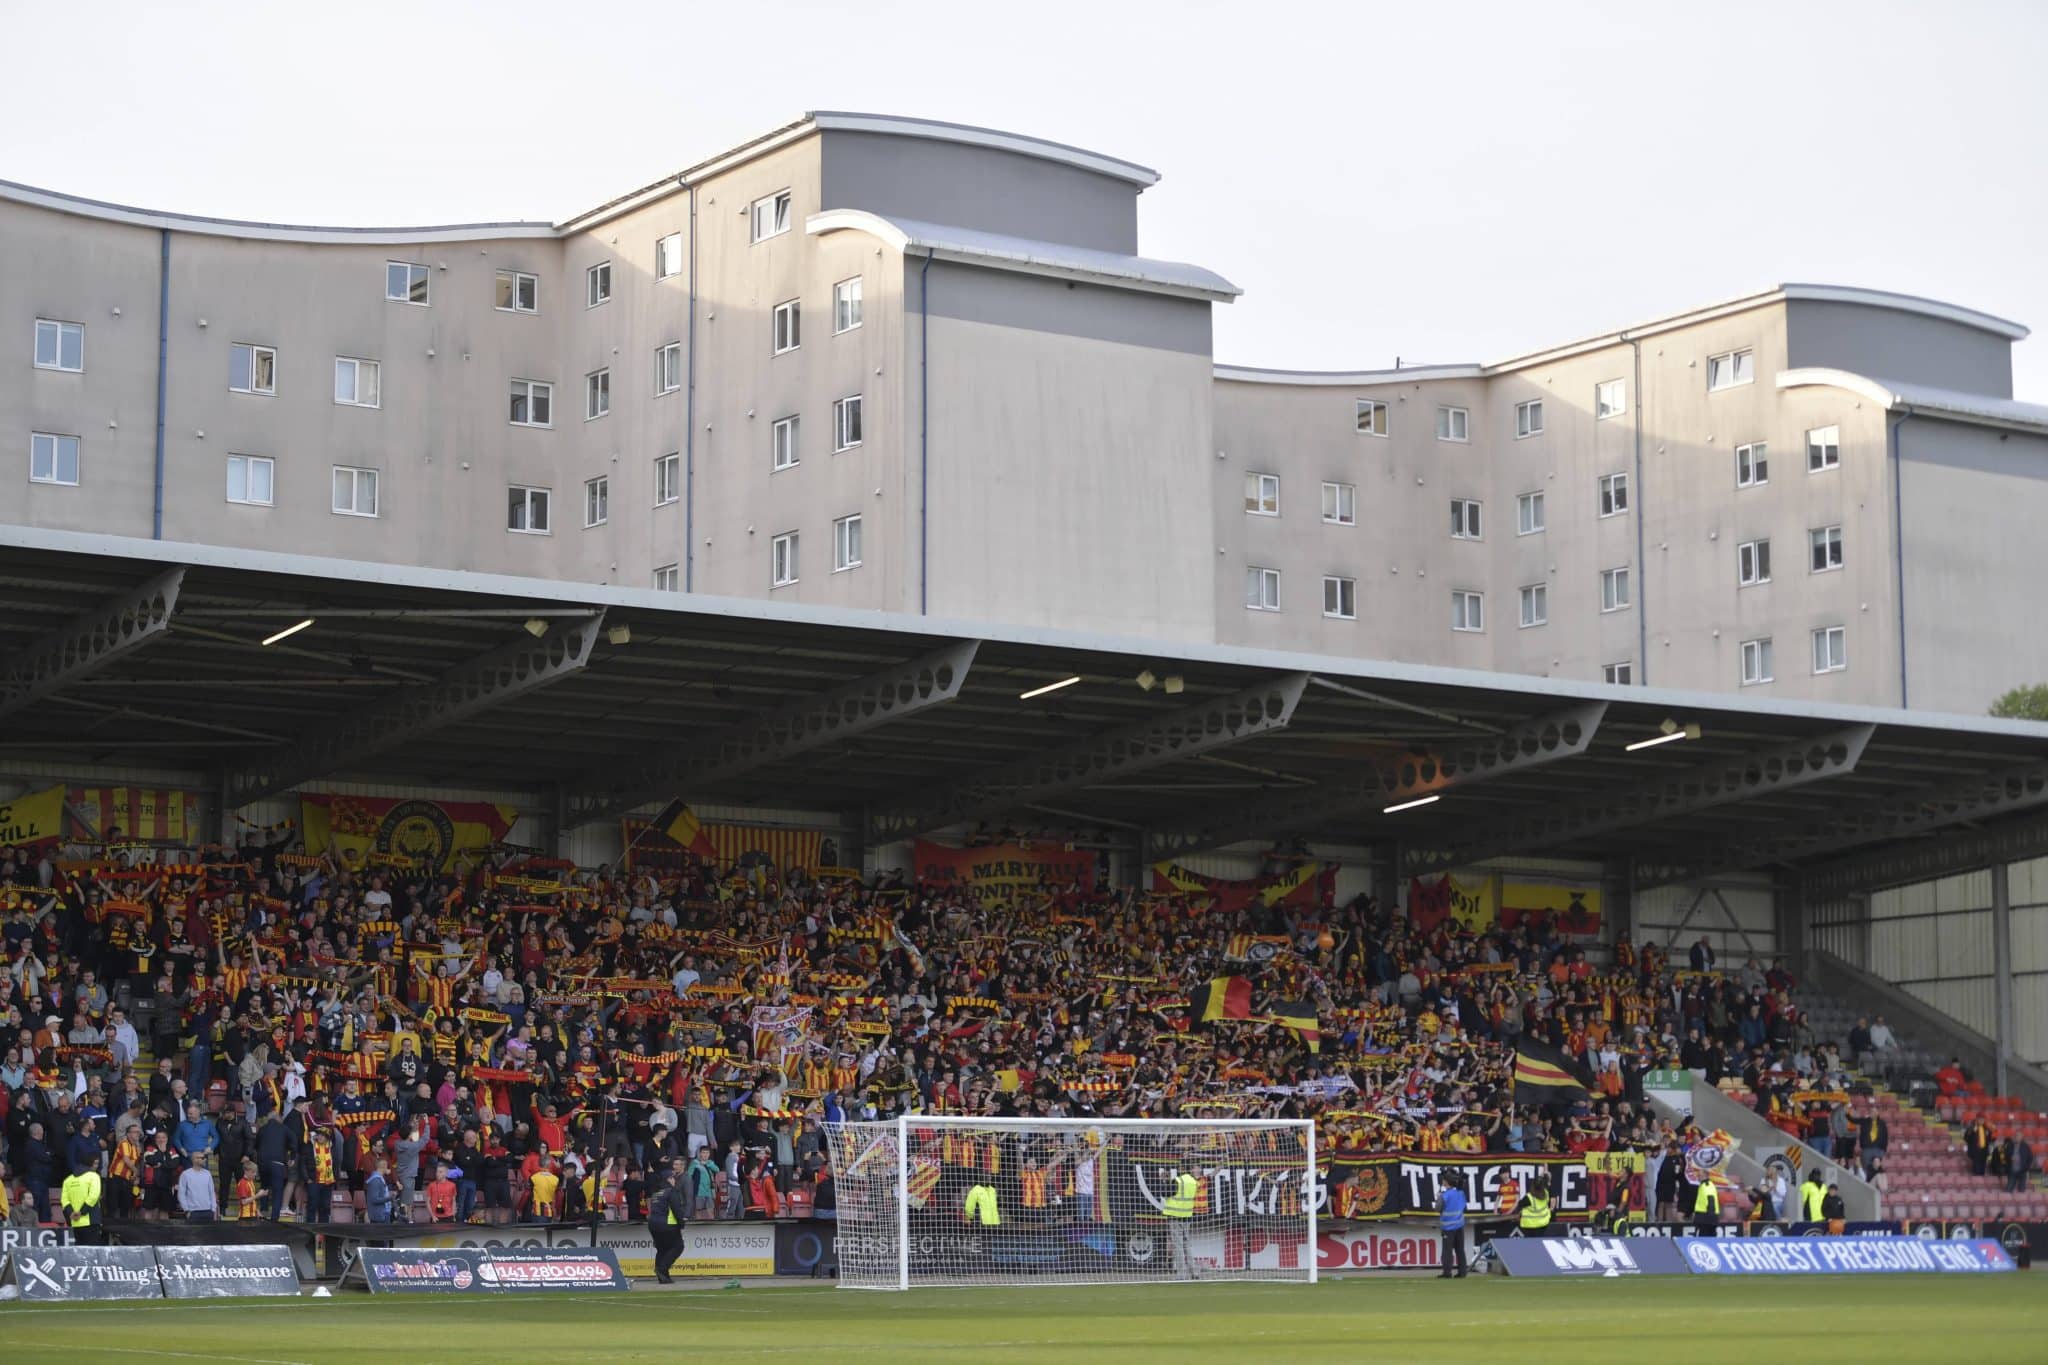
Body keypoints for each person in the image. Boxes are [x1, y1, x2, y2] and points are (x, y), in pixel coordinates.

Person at [1159, 1164, 1199, 1280]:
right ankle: (1194, 1272)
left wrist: (1163, 1181)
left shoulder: (1178, 1181)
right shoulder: (1193, 1182)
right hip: (1187, 1215)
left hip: (1175, 1216)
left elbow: (1165, 1193)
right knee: (1187, 1244)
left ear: (1182, 1169)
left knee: (1178, 1245)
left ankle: (1181, 1274)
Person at [648, 1167, 687, 1283]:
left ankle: (663, 1275)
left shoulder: (656, 1193)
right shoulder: (671, 1191)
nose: (674, 1180)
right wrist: (681, 1224)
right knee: (678, 1246)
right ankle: (662, 1269)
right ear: (668, 1179)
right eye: (673, 1178)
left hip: (653, 1224)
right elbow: (676, 1209)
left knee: (662, 1249)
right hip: (667, 1224)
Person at [1436, 1182, 1468, 1279]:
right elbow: (1464, 1207)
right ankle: (1462, 1272)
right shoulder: (1461, 1193)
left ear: (1446, 1183)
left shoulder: (1444, 1195)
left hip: (1448, 1227)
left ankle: (1447, 1272)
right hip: (1459, 1225)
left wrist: (1438, 1197)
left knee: (1447, 1251)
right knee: (1460, 1250)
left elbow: (1438, 1209)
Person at [177, 1151, 218, 1221]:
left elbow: (211, 1192)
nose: (204, 1159)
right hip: (193, 1211)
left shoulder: (207, 1173)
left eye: (204, 1158)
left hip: (208, 1211)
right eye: (201, 1158)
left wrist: (213, 1209)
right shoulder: (185, 1174)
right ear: (194, 1159)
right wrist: (186, 1210)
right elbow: (181, 1193)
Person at [365, 1158, 394, 1224]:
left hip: (384, 1214)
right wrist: (389, 1198)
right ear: (384, 1166)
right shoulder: (375, 1180)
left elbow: (381, 1194)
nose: (388, 1169)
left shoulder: (380, 1179)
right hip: (379, 1216)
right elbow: (374, 1199)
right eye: (387, 1166)